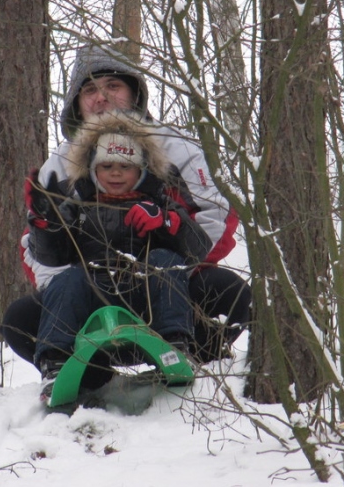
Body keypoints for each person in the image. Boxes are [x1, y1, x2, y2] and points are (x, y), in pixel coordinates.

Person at [0, 44, 251, 370]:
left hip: (170, 289)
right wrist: (69, 281)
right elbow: (35, 253)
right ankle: (82, 373)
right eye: (89, 90)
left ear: (134, 93)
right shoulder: (59, 167)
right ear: (77, 104)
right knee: (19, 319)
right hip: (89, 298)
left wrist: (171, 259)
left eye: (112, 86)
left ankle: (188, 359)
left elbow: (217, 217)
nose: (100, 97)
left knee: (228, 292)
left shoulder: (178, 148)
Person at [27, 111, 211, 391]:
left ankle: (175, 345)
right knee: (67, 279)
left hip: (144, 296)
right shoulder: (78, 206)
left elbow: (198, 249)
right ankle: (55, 362)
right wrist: (44, 221)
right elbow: (51, 255)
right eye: (107, 165)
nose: (115, 172)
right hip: (93, 292)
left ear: (141, 170)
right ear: (92, 169)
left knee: (165, 262)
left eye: (125, 166)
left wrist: (166, 220)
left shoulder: (159, 200)